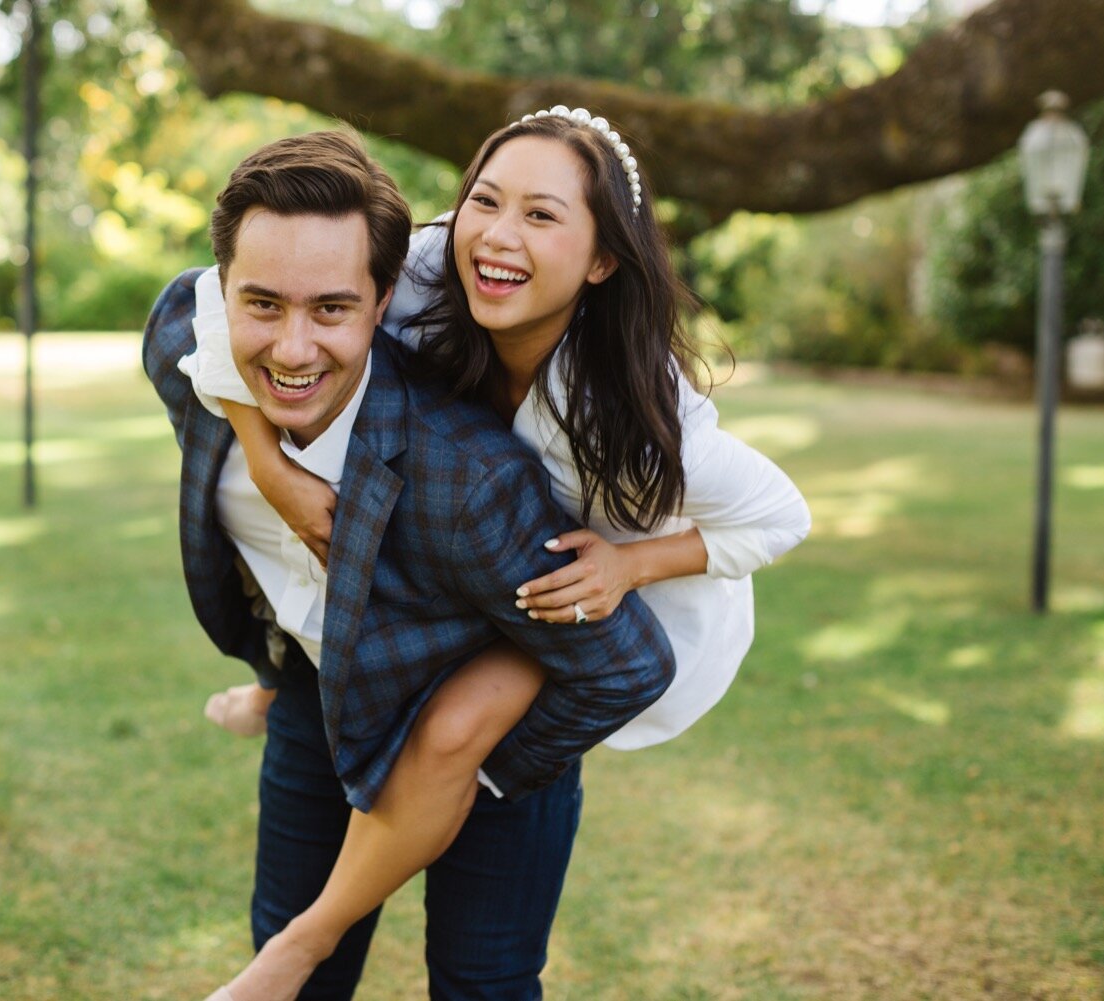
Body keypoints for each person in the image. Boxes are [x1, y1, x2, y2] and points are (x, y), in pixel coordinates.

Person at [185, 108, 811, 999]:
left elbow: (781, 516)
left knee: (456, 756)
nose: (499, 233)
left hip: (578, 604)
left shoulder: (634, 416)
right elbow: (227, 294)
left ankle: (315, 921)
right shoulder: (436, 263)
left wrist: (631, 565)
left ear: (602, 260)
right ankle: (292, 684)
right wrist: (265, 460)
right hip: (452, 574)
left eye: (543, 215)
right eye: (486, 198)